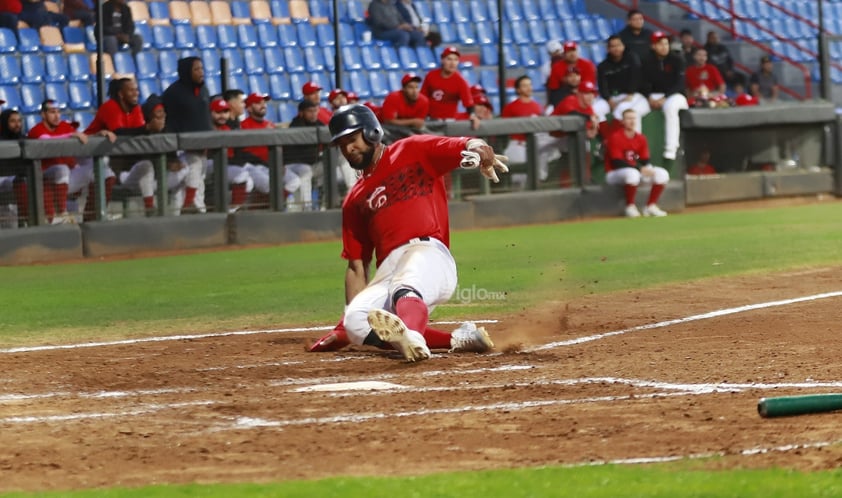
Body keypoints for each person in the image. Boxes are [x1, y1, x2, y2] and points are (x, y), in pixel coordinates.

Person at [311, 104, 505, 362]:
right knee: (357, 320)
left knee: (407, 282)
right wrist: (343, 328)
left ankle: (411, 333)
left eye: (352, 139)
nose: (348, 149)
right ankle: (460, 339)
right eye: (341, 144)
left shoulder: (411, 150)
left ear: (371, 132)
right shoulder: (354, 200)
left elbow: (463, 144)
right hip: (389, 270)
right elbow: (357, 266)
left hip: (429, 254)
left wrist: (478, 148)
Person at [237, 93, 313, 211]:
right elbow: (244, 153)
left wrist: (279, 163)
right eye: (258, 103)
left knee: (294, 181)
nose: (263, 105)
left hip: (272, 165)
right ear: (249, 108)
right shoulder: (243, 126)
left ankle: (271, 206)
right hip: (254, 166)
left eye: (264, 102)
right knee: (269, 184)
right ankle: (261, 207)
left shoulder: (270, 125)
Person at [161, 56, 212, 214]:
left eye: (202, 68)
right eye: (196, 69)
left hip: (202, 147)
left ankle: (182, 215)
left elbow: (205, 119)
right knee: (192, 175)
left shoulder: (203, 89)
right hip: (181, 148)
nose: (201, 72)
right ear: (186, 72)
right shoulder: (173, 93)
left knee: (196, 182)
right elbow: (166, 124)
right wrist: (171, 155)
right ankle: (188, 208)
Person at [28, 99, 90, 224]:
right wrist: (70, 135)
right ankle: (62, 212)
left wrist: (100, 132)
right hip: (44, 178)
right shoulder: (36, 129)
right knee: (62, 169)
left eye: (58, 112)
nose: (57, 116)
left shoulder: (65, 127)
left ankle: (95, 215)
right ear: (43, 115)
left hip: (65, 182)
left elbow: (83, 137)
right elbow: (46, 140)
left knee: (98, 169)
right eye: (52, 112)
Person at [604, 109, 669, 217]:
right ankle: (630, 207)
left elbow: (645, 160)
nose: (632, 121)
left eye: (634, 118)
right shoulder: (615, 137)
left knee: (662, 173)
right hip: (614, 173)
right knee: (632, 173)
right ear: (623, 121)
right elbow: (616, 162)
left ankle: (650, 206)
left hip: (635, 171)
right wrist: (640, 169)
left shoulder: (641, 138)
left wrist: (648, 169)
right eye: (629, 118)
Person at [501, 74, 561, 183]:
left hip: (536, 144)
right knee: (519, 178)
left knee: (539, 174)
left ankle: (541, 180)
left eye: (530, 85)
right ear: (518, 89)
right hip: (518, 144)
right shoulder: (511, 107)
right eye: (525, 86)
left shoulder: (537, 106)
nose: (529, 88)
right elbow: (504, 128)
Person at [640, 31, 689, 162]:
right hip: (653, 96)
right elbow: (642, 82)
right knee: (635, 110)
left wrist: (664, 98)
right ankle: (637, 150)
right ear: (653, 46)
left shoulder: (677, 59)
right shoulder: (646, 61)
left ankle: (671, 148)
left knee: (670, 108)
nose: (664, 46)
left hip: (675, 95)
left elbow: (680, 84)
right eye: (660, 44)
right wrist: (648, 97)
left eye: (666, 43)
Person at [596, 35, 650, 133]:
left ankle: (617, 140)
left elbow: (636, 78)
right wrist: (608, 99)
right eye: (613, 46)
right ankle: (605, 138)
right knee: (595, 109)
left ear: (623, 46)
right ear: (608, 49)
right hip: (610, 97)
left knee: (622, 109)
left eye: (618, 45)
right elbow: (602, 86)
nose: (616, 48)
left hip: (631, 95)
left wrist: (630, 93)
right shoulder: (602, 66)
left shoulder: (632, 59)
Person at [208, 97, 252, 212]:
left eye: (225, 112)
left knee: (249, 180)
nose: (222, 115)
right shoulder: (207, 128)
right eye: (218, 112)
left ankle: (235, 210)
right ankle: (233, 211)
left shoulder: (227, 128)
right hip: (208, 164)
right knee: (241, 174)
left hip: (225, 164)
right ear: (210, 113)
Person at [421, 46, 479, 129]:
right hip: (430, 120)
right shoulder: (431, 75)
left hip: (449, 123)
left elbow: (468, 103)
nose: (452, 63)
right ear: (442, 60)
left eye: (455, 60)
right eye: (449, 59)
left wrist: (473, 115)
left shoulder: (460, 81)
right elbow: (422, 98)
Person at [286, 99, 324, 210]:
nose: (313, 114)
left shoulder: (318, 124)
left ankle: (325, 204)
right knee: (305, 170)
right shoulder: (295, 126)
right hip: (293, 165)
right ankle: (306, 208)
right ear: (301, 113)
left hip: (313, 164)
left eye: (315, 111)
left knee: (329, 167)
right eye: (309, 111)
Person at [0, 107, 30, 227]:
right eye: (13, 121)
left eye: (19, 121)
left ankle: (27, 219)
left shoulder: (24, 139)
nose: (17, 124)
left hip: (14, 180)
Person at [546, 41, 598, 108]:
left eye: (573, 51)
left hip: (586, 98)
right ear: (564, 54)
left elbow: (589, 86)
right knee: (549, 111)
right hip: (563, 97)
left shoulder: (588, 65)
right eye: (568, 51)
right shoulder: (556, 67)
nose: (572, 54)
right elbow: (554, 88)